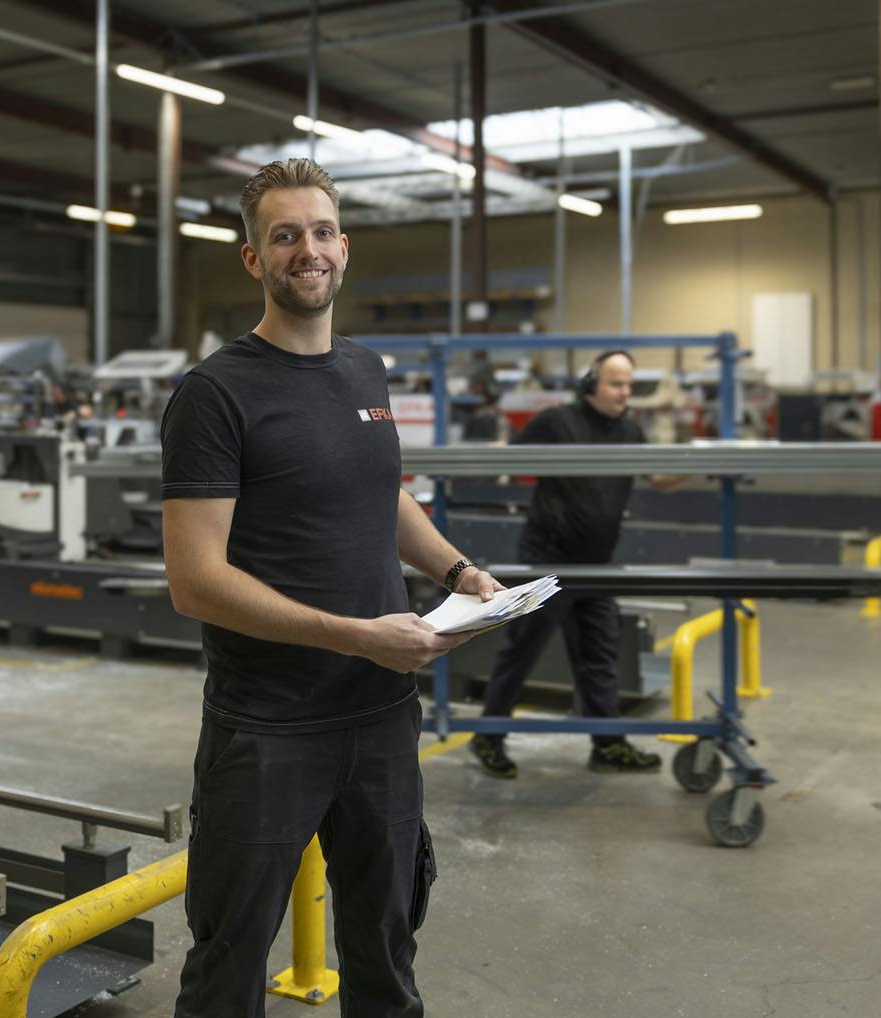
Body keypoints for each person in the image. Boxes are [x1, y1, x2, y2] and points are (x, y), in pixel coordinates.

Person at [160, 157, 505, 1018]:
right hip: (268, 727)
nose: (305, 251)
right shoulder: (213, 395)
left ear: (344, 249)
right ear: (254, 260)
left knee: (387, 947)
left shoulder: (365, 372)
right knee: (230, 963)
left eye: (319, 233)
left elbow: (380, 493)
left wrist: (459, 572)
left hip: (382, 717)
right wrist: (355, 634)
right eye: (283, 236)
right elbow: (195, 582)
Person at [469, 349, 677, 780]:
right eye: (616, 384)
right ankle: (488, 735)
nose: (625, 393)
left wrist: (702, 463)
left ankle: (607, 744)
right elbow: (511, 458)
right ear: (590, 385)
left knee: (601, 653)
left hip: (597, 565)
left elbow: (659, 478)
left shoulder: (631, 432)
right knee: (522, 649)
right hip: (548, 560)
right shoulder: (558, 421)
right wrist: (483, 452)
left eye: (629, 386)